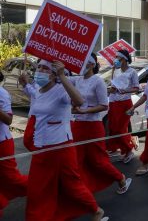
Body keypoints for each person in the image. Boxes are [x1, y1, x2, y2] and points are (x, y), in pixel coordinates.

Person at [21, 60, 106, 221]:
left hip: (61, 147)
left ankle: (95, 210)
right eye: (38, 67)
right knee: (36, 189)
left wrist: (62, 75)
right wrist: (25, 85)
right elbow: (35, 97)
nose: (39, 70)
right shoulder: (39, 90)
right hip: (41, 147)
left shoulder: (62, 90)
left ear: (53, 74)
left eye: (45, 68)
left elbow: (80, 101)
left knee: (71, 185)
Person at [70, 53, 132, 193]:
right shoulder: (77, 80)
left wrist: (85, 111)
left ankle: (121, 178)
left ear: (92, 65)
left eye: (84, 63)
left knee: (98, 160)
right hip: (78, 125)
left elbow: (104, 105)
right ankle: (81, 190)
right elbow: (62, 80)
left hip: (93, 126)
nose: (81, 66)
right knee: (76, 159)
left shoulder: (98, 82)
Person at [0, 71, 27, 217]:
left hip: (2, 143)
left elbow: (8, 120)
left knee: (12, 180)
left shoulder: (2, 93)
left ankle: (42, 188)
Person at [107, 49, 139, 163]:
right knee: (113, 128)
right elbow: (113, 84)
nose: (116, 60)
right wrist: (113, 70)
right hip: (113, 101)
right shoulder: (116, 70)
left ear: (125, 59)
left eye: (118, 58)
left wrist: (125, 91)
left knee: (121, 128)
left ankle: (129, 150)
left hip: (125, 103)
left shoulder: (132, 72)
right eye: (115, 58)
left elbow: (136, 88)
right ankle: (126, 145)